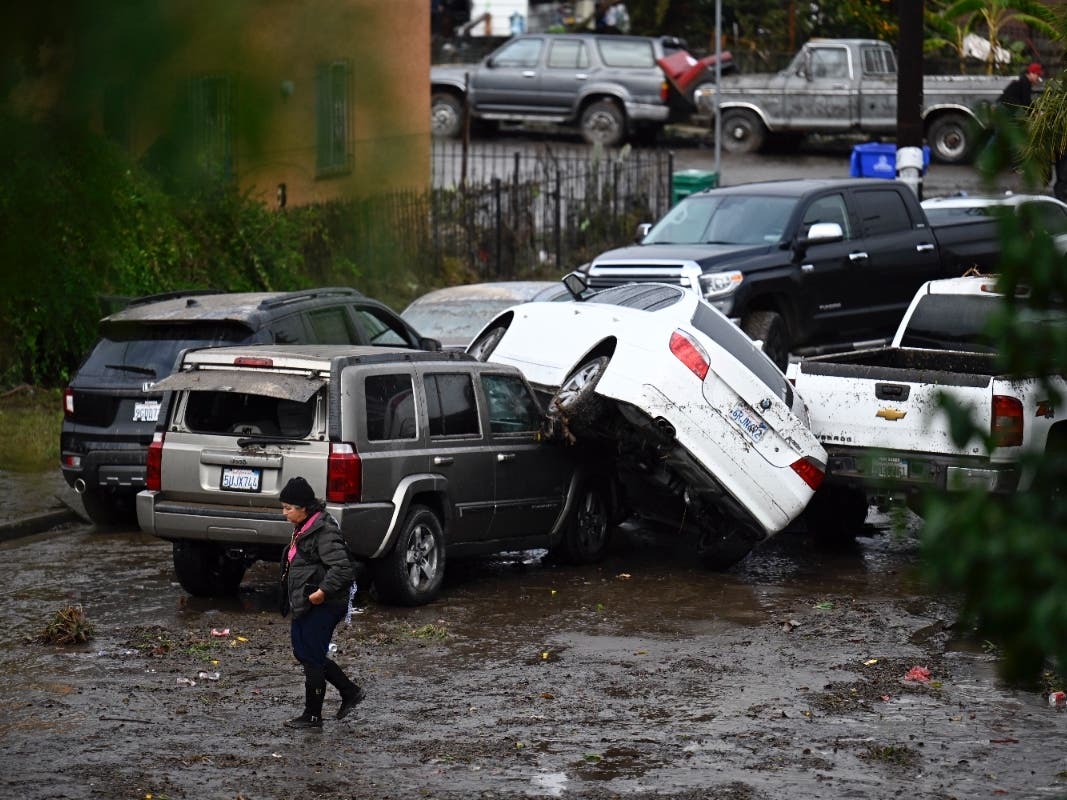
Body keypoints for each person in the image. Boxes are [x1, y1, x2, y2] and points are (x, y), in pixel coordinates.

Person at [278, 476, 363, 729]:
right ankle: (350, 691)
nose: (284, 514)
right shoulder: (304, 527)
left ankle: (313, 716)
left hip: (324, 604)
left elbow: (342, 568)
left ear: (304, 508)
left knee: (312, 656)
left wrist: (322, 592)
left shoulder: (323, 530)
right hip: (305, 602)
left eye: (288, 508)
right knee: (303, 651)